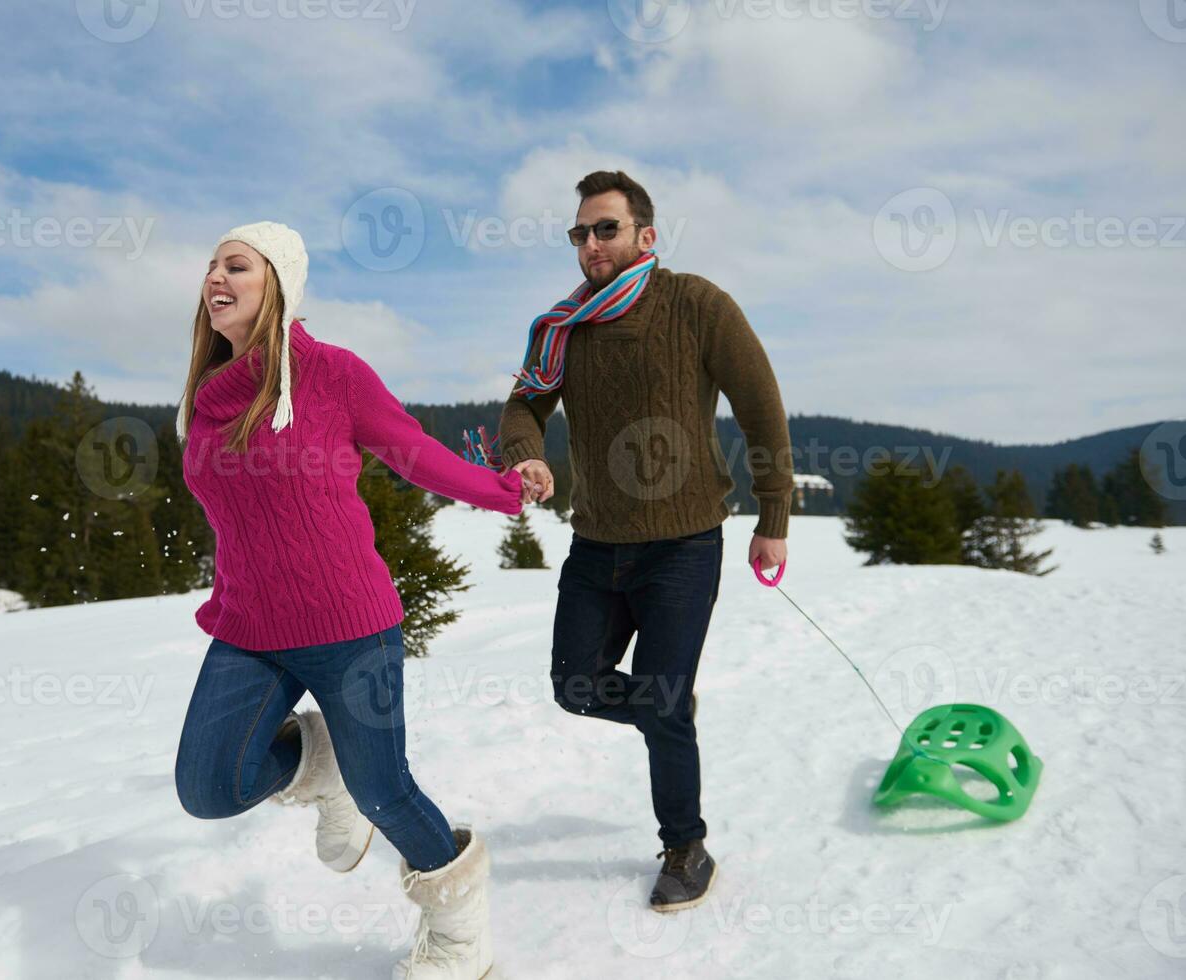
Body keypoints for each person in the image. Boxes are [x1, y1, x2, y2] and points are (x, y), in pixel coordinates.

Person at [173, 220, 521, 978]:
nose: (215, 280)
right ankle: (313, 764)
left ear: (281, 284)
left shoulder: (332, 374)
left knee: (383, 795)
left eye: (236, 265)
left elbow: (415, 453)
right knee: (208, 787)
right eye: (210, 268)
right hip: (247, 628)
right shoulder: (205, 400)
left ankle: (458, 928)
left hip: (347, 626)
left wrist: (504, 492)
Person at [496, 171, 793, 912]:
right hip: (595, 545)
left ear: (645, 237)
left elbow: (761, 410)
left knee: (660, 701)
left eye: (606, 229)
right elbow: (523, 403)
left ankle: (685, 846)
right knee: (575, 687)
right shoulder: (563, 327)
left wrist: (774, 518)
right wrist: (524, 451)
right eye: (580, 232)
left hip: (684, 545)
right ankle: (668, 707)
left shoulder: (697, 305)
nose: (590, 244)